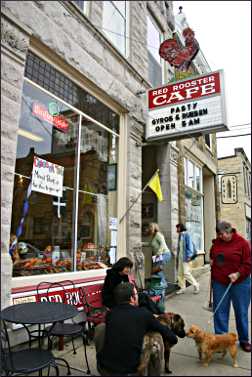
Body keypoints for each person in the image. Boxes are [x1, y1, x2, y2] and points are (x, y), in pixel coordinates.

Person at [95, 282, 178, 376]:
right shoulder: (144, 314)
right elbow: (169, 335)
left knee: (101, 328)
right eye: (136, 294)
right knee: (156, 337)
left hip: (104, 368)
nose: (138, 296)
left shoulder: (110, 314)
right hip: (130, 372)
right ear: (132, 298)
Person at [210, 221, 251, 352]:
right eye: (219, 234)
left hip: (240, 283)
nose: (220, 237)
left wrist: (238, 274)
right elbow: (213, 255)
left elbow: (248, 264)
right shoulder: (217, 242)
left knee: (241, 312)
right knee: (220, 312)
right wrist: (212, 260)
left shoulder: (242, 243)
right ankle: (221, 341)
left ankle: (244, 340)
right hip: (220, 282)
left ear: (229, 231)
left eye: (222, 234)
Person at [175, 223, 200, 295]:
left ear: (180, 228)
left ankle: (196, 284)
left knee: (186, 273)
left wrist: (189, 255)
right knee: (180, 274)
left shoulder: (186, 234)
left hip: (186, 258)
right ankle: (182, 288)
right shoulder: (180, 235)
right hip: (180, 258)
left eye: (177, 228)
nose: (177, 229)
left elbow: (190, 245)